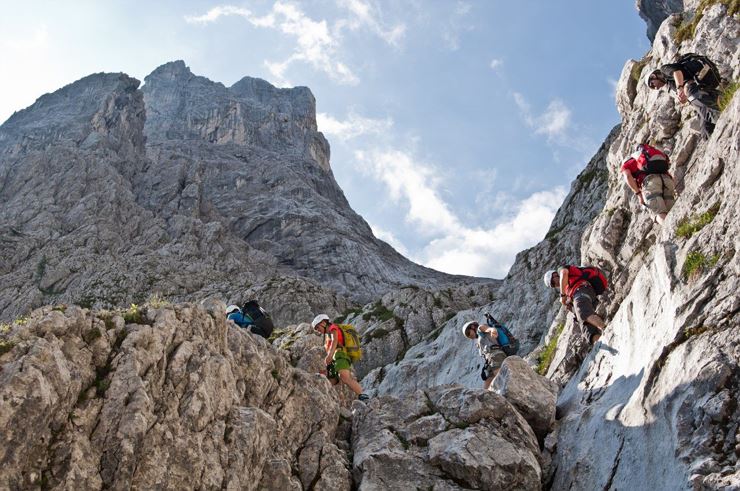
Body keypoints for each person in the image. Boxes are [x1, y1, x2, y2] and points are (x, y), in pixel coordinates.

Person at [645, 54, 721, 139]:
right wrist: (683, 98)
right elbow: (685, 90)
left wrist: (680, 88)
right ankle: (709, 134)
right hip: (702, 87)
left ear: (653, 76)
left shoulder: (664, 70)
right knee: (705, 129)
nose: (656, 88)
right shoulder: (670, 83)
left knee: (695, 97)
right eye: (653, 88)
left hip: (701, 78)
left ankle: (716, 108)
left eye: (652, 84)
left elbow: (677, 72)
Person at [311, 314, 370, 401]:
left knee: (345, 376)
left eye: (317, 327)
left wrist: (330, 355)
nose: (318, 330)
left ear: (323, 323)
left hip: (340, 354)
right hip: (334, 358)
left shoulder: (332, 328)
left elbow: (335, 340)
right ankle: (323, 399)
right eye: (316, 329)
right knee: (332, 380)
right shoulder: (327, 335)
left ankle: (364, 397)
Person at [543, 266, 608, 345]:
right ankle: (600, 343)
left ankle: (607, 329)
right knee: (586, 328)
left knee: (582, 313)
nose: (555, 285)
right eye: (553, 286)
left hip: (582, 289)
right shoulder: (567, 288)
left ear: (554, 275)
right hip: (586, 295)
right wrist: (570, 306)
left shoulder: (561, 270)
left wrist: (563, 296)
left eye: (553, 282)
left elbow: (564, 273)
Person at [621, 143, 675, 224]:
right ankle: (682, 230)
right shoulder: (654, 154)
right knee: (672, 211)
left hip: (651, 183)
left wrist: (639, 194)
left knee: (659, 213)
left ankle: (674, 232)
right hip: (667, 181)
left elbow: (628, 176)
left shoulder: (631, 161)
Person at [462, 319, 507, 390]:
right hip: (490, 362)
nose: (469, 336)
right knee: (486, 388)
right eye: (467, 336)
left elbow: (487, 328)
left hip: (495, 356)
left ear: (473, 327)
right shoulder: (480, 338)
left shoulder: (480, 328)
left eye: (468, 333)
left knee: (502, 380)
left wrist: (492, 330)